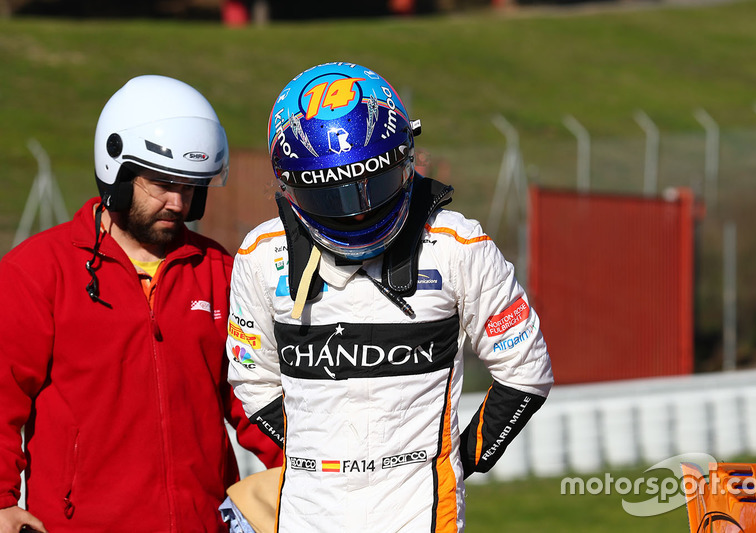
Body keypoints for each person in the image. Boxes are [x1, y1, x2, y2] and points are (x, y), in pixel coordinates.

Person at [224, 62, 554, 532]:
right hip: (305, 517)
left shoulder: (459, 246)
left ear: (407, 158)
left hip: (421, 517)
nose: (358, 213)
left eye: (371, 186)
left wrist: (459, 460)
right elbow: (253, 382)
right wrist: (318, 456)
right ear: (289, 186)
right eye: (332, 197)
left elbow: (526, 371)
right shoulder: (260, 257)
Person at [0, 75, 282, 533]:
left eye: (191, 186)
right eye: (162, 183)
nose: (178, 201)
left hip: (205, 524)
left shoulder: (221, 272)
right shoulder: (37, 272)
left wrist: (311, 472)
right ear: (116, 170)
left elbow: (256, 396)